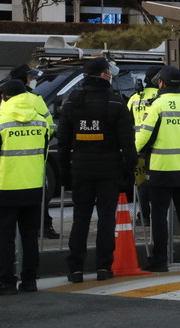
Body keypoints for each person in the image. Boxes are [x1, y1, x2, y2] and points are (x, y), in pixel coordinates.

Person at [57, 57, 137, 283]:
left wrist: (65, 172)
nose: (110, 75)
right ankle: (103, 267)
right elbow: (127, 143)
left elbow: (63, 142)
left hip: (81, 168)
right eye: (108, 72)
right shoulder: (115, 101)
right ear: (103, 75)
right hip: (109, 169)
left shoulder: (72, 102)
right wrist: (127, 171)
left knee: (80, 218)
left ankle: (75, 269)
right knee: (105, 219)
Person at [0, 80, 51, 295]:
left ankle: (7, 281)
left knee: (6, 237)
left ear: (4, 97)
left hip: (6, 187)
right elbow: (44, 153)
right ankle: (30, 280)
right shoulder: (41, 122)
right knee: (30, 236)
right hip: (33, 186)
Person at [135, 66, 180, 272]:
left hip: (160, 169)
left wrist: (131, 154)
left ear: (161, 83)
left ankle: (160, 260)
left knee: (159, 216)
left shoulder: (157, 106)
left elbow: (143, 136)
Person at [8, 63, 60, 239]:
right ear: (24, 79)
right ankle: (44, 226)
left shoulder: (5, 99)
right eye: (30, 78)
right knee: (40, 192)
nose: (33, 81)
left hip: (10, 157)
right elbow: (50, 126)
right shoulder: (35, 100)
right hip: (34, 157)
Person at [128, 65, 162, 227]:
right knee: (156, 182)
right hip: (157, 146)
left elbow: (128, 121)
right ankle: (157, 214)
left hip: (138, 147)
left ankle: (144, 215)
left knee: (142, 183)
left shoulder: (135, 97)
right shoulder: (160, 96)